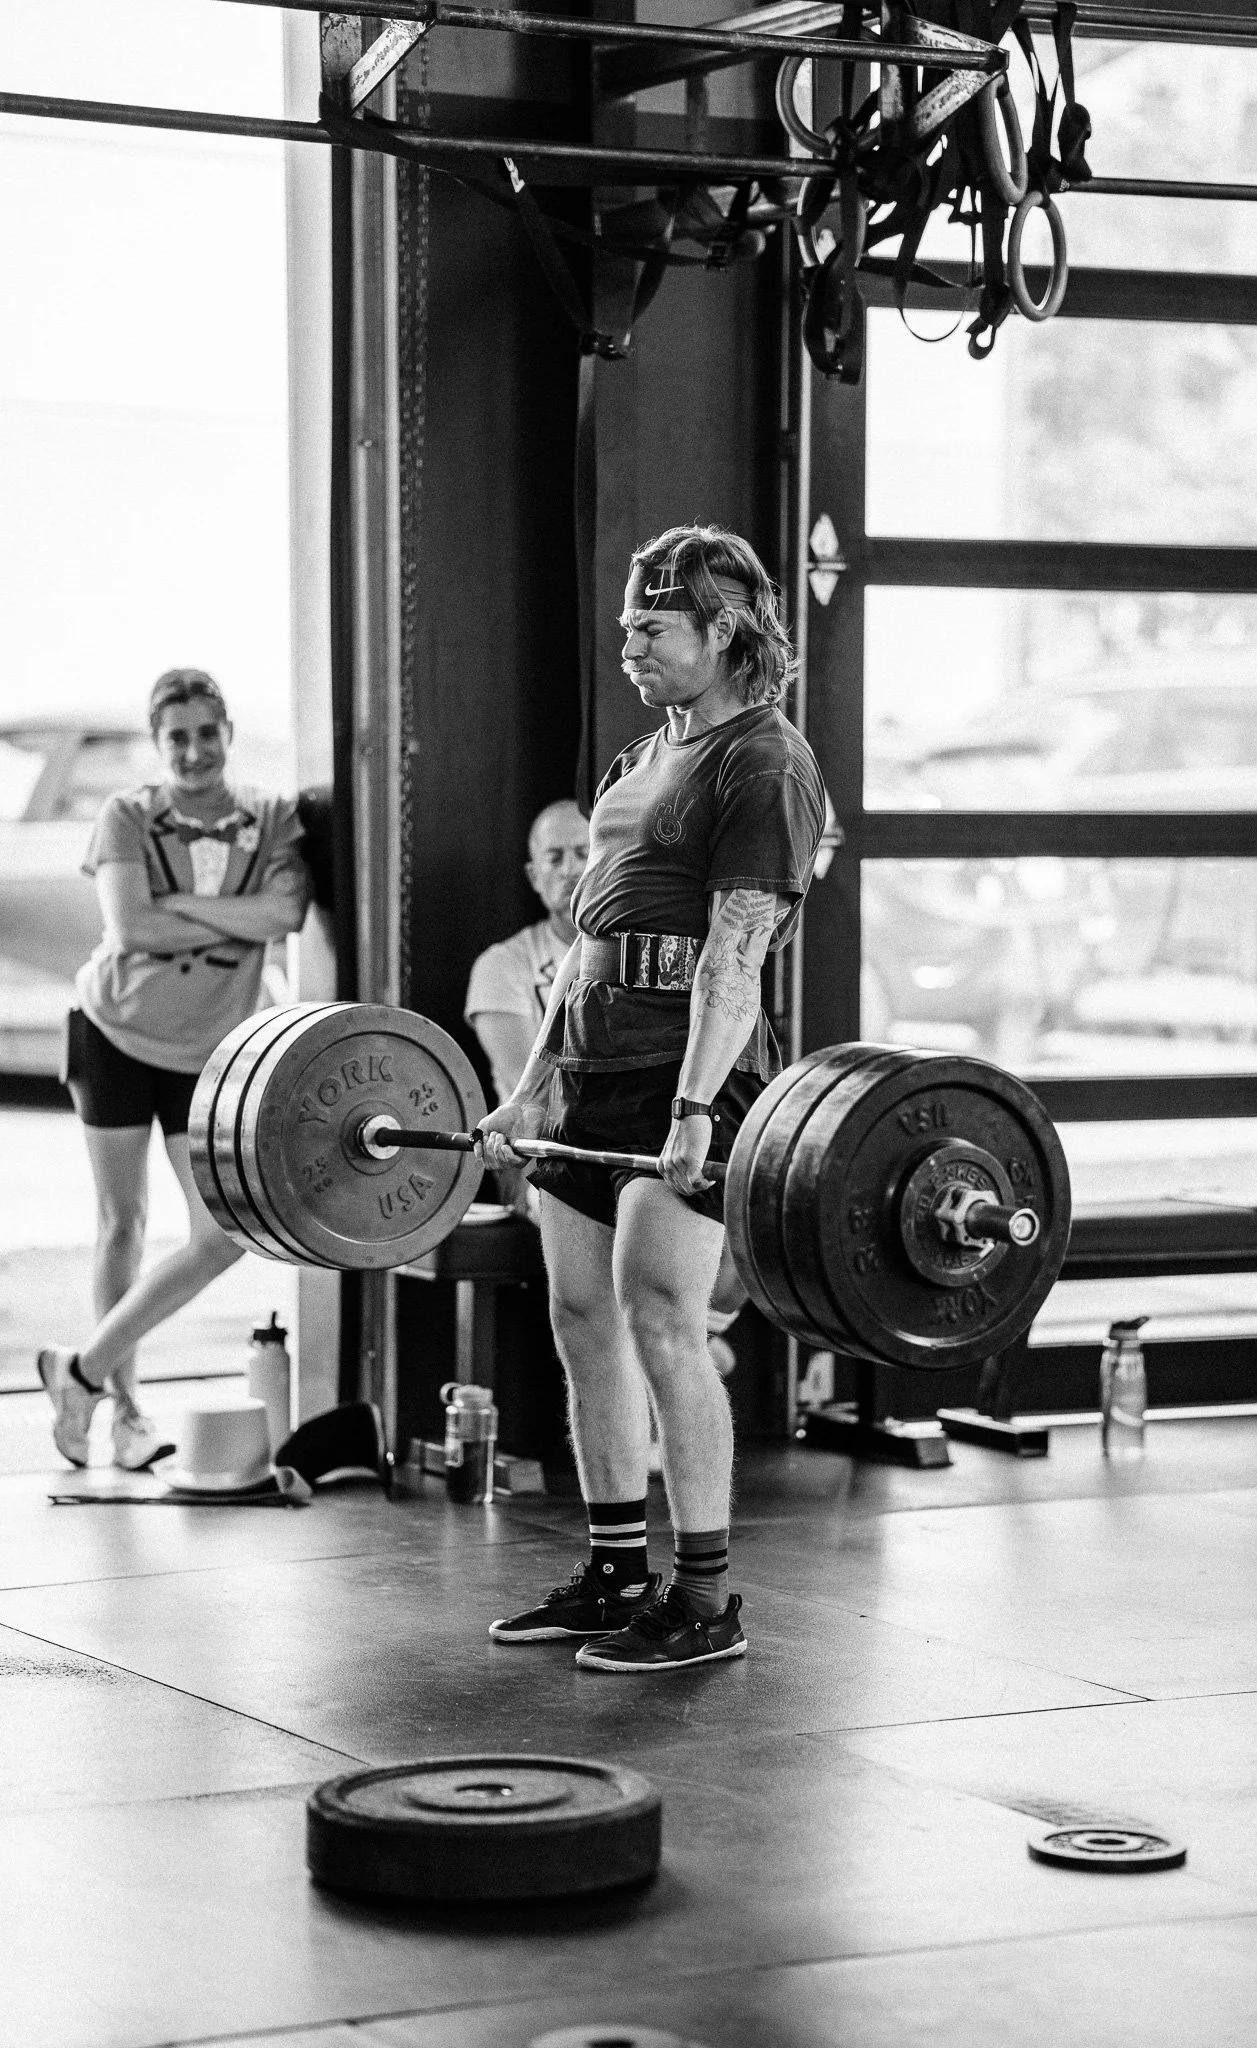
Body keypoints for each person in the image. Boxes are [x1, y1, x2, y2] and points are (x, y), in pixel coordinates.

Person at [477, 525, 826, 1672]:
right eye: (627, 621)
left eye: (650, 625)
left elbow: (735, 955)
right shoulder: (639, 760)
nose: (627, 641)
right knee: (582, 1317)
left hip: (690, 1074)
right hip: (586, 1068)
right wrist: (526, 1093)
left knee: (664, 1315)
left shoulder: (763, 762)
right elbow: (581, 950)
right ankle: (617, 1568)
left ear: (724, 631)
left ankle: (706, 1595)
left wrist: (692, 1110)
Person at [38, 669, 311, 1470]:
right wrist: (230, 914)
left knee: (223, 1234)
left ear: (226, 731)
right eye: (176, 738)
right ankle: (123, 1412)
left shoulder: (272, 818)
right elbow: (128, 931)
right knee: (120, 1222)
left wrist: (178, 909)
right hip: (114, 1031)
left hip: (210, 1050)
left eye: (206, 732)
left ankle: (77, 1368)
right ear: (159, 747)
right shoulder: (126, 815)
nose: (194, 751)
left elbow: (287, 914)